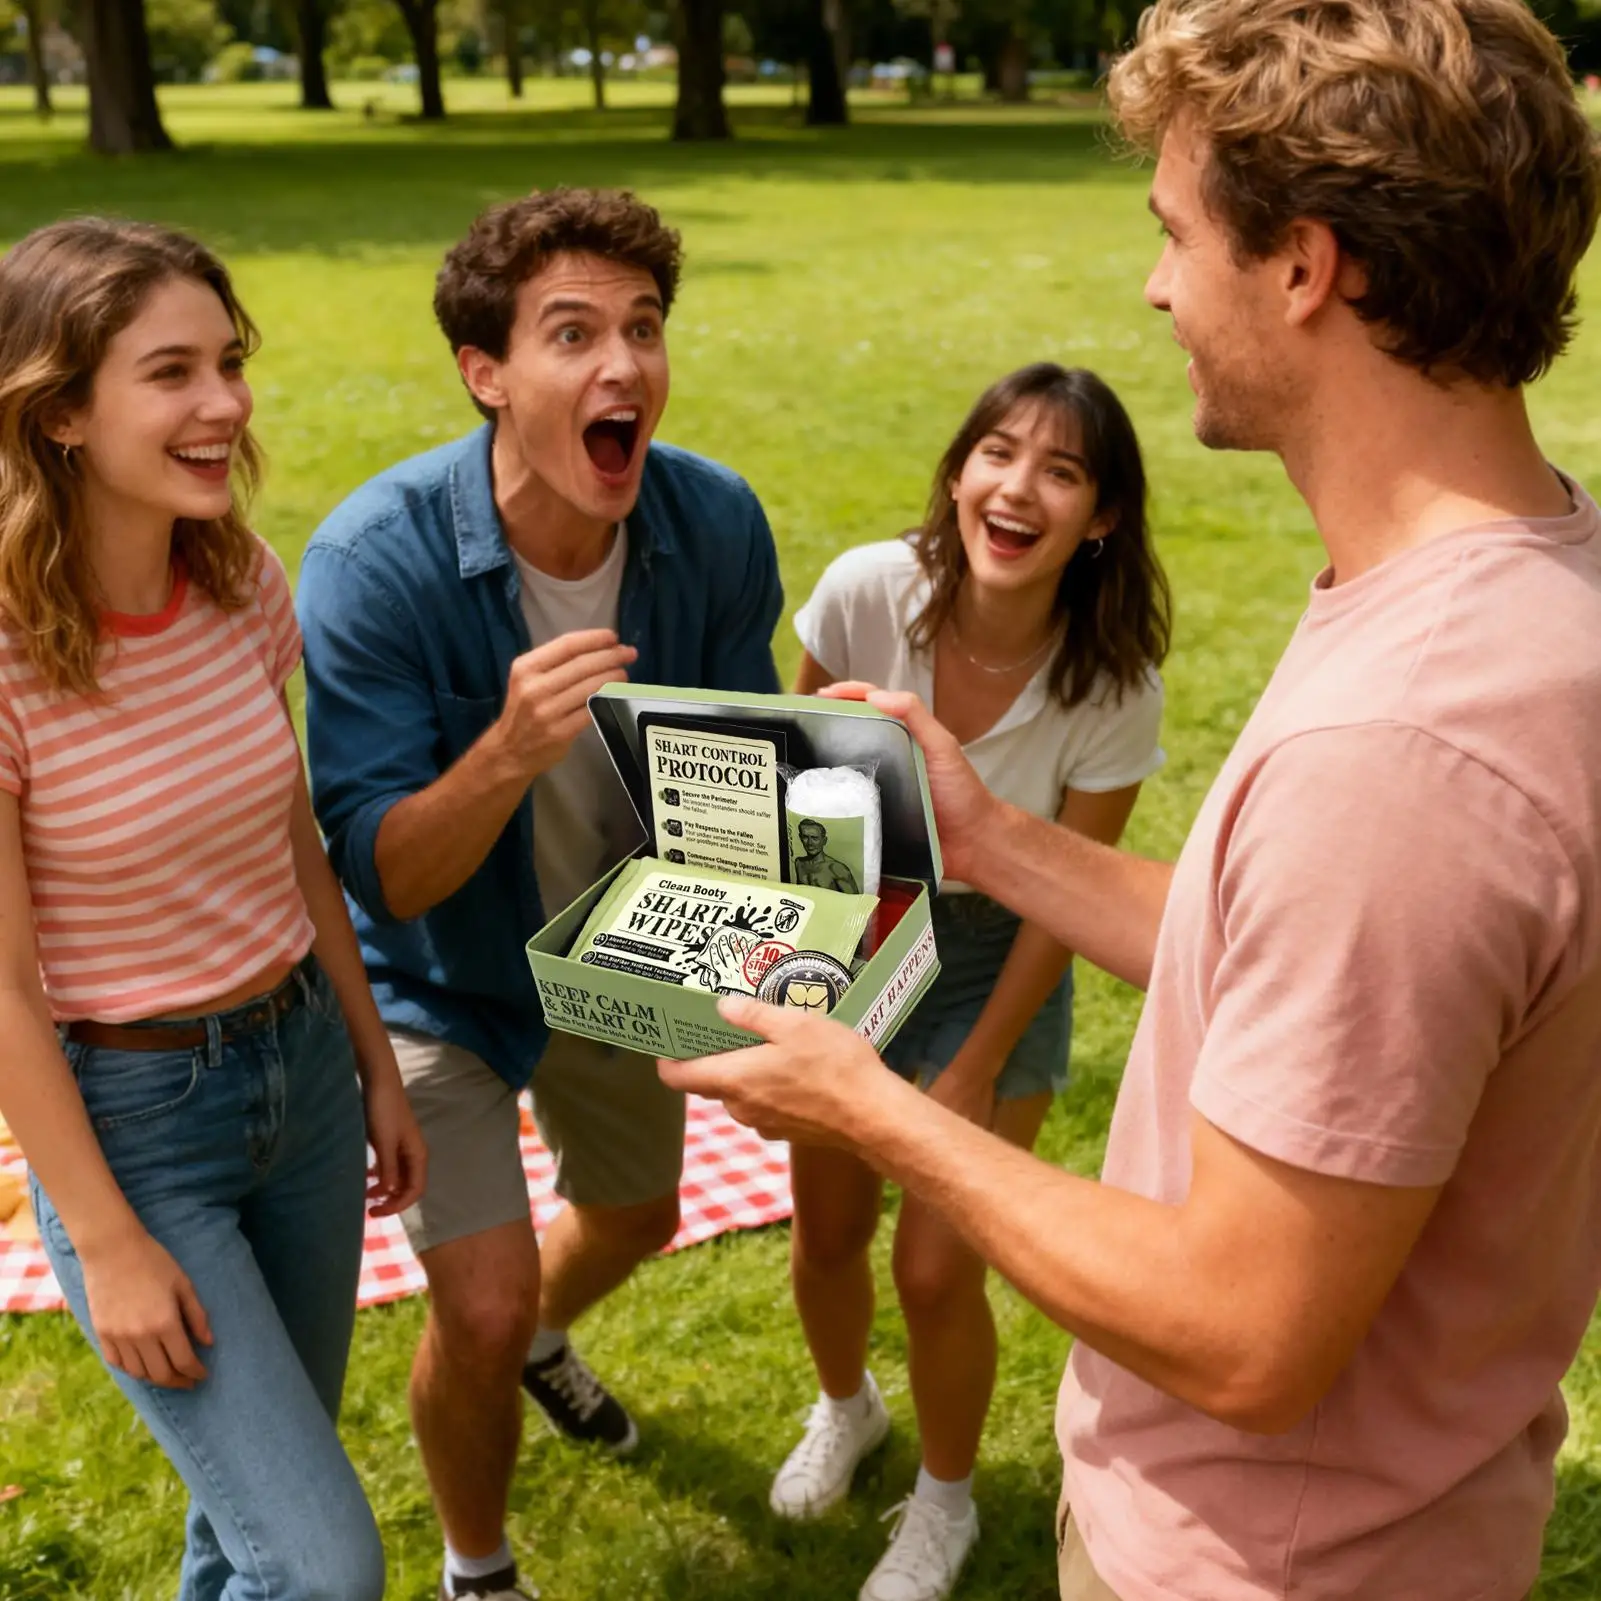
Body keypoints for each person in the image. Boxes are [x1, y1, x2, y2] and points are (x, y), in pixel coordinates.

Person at [662, 4, 1601, 1599]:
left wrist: (871, 1105)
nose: (1156, 285)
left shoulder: (1404, 745)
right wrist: (984, 834)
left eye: (1173, 232)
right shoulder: (1516, 590)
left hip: (1265, 1558)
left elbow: (1244, 1336)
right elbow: (1302, 959)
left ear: (1304, 266)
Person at [296, 187, 783, 1601]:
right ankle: (477, 1566)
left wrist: (764, 973)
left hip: (623, 946)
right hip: (439, 969)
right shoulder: (372, 561)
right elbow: (383, 868)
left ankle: (541, 1342)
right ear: (487, 373)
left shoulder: (715, 521)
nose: (622, 365)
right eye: (572, 333)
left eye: (642, 328)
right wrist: (507, 749)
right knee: (483, 1294)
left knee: (632, 1216)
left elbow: (736, 781)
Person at [0, 219, 426, 1601]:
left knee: (241, 1529)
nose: (225, 405)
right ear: (61, 407)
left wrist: (372, 1064)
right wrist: (109, 1243)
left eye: (229, 363)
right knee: (322, 1563)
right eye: (171, 372)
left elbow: (295, 848)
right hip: (137, 1135)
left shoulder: (239, 581)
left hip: (302, 1076)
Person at [772, 364, 1169, 1601]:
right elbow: (795, 785)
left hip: (1002, 950)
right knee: (829, 1228)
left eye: (1060, 470)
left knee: (940, 1265)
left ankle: (942, 1497)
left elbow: (1066, 898)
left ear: (1099, 518)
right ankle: (847, 1408)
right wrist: (795, 971)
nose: (1017, 487)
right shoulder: (861, 591)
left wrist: (971, 1061)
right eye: (996, 453)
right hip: (852, 917)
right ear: (957, 473)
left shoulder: (1112, 682)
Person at [792, 818, 862, 894]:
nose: (810, 843)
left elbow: (854, 901)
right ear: (800, 838)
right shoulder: (799, 863)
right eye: (805, 837)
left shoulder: (837, 869)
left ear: (824, 841)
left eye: (815, 838)